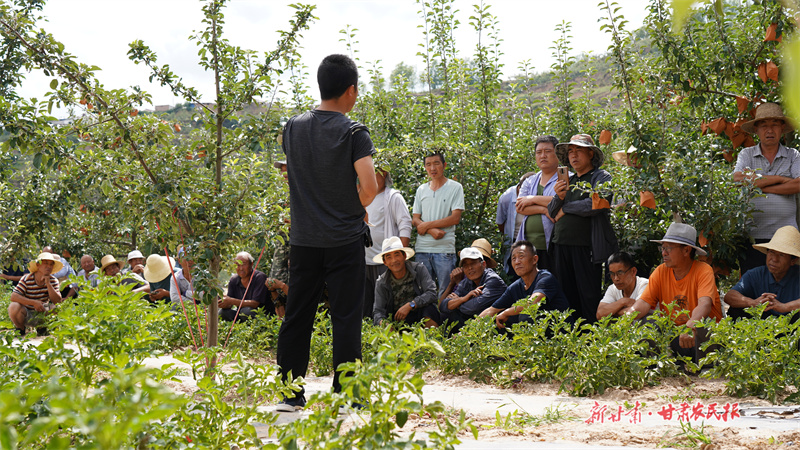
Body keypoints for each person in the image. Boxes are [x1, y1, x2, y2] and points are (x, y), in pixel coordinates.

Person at [276, 54, 378, 412]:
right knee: (346, 317)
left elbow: (297, 173)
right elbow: (369, 186)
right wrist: (355, 207)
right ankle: (348, 394)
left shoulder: (292, 127)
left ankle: (290, 393)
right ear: (350, 91)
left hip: (304, 240)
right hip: (344, 240)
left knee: (297, 315)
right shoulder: (354, 132)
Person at [625, 222, 723, 364]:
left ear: (686, 250)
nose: (664, 253)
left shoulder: (703, 270)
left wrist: (690, 326)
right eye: (662, 248)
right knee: (648, 320)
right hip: (676, 338)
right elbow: (643, 303)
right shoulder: (660, 271)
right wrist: (624, 322)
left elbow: (705, 304)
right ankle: (651, 366)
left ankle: (707, 368)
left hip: (701, 340)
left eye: (669, 248)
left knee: (703, 322)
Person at [547, 133, 618, 323]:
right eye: (571, 151)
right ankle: (570, 342)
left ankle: (591, 342)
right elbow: (552, 212)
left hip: (586, 248)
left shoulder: (601, 176)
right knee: (565, 296)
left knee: (588, 296)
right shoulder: (568, 180)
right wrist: (559, 197)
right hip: (560, 245)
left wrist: (566, 208)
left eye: (579, 150)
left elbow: (598, 204)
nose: (573, 155)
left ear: (591, 155)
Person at [733, 102, 800, 274]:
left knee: (787, 287)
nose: (769, 130)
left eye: (774, 125)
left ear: (782, 128)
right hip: (752, 235)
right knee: (753, 287)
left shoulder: (793, 155)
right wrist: (779, 179)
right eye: (764, 126)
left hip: (786, 237)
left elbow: (798, 184)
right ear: (756, 130)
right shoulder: (746, 154)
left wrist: (761, 188)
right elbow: (739, 179)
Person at [479, 240, 570, 329]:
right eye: (513, 258)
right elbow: (491, 310)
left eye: (521, 256)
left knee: (526, 316)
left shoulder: (546, 279)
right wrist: (470, 329)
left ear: (534, 259)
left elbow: (531, 304)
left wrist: (505, 313)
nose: (517, 262)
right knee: (498, 319)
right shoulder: (515, 287)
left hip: (559, 335)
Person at [412, 151, 465, 298]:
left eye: (436, 163)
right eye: (428, 164)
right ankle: (427, 321)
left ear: (444, 165)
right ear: (425, 167)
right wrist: (432, 230)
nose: (432, 168)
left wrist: (427, 226)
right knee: (422, 291)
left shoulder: (455, 187)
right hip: (422, 248)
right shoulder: (421, 189)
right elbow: (415, 218)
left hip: (444, 249)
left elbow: (455, 218)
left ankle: (444, 320)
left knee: (446, 290)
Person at [364, 166, 412, 318]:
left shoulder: (393, 197)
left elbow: (405, 224)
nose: (370, 174)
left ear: (384, 174)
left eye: (374, 171)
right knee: (366, 302)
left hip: (386, 260)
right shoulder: (363, 196)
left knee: (387, 301)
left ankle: (391, 334)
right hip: (364, 260)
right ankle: (367, 335)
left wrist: (401, 257)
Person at [725, 226, 800, 320]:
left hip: (792, 328)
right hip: (761, 326)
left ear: (793, 260)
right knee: (736, 310)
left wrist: (785, 307)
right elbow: (730, 296)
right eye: (772, 252)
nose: (774, 259)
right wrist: (753, 303)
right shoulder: (755, 274)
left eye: (782, 255)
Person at [515, 135, 562, 271]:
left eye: (547, 151)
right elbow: (520, 207)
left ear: (557, 154)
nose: (543, 156)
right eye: (539, 152)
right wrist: (544, 210)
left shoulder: (566, 178)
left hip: (553, 244)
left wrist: (532, 199)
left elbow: (561, 201)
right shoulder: (530, 181)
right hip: (529, 245)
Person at [372, 237, 439, 327]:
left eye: (397, 255)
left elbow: (432, 293)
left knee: (429, 310)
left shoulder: (419, 269)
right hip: (398, 320)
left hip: (419, 313)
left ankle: (430, 338)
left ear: (404, 256)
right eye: (389, 257)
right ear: (385, 262)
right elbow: (377, 312)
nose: (394, 260)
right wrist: (385, 324)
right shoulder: (382, 282)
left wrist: (411, 305)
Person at [439, 246, 506, 333]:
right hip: (476, 322)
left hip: (496, 324)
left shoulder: (493, 279)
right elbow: (443, 305)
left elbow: (474, 307)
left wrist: (457, 303)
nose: (470, 268)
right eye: (466, 265)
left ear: (484, 264)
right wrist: (464, 298)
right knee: (447, 314)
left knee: (456, 310)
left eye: (473, 263)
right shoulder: (466, 282)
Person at [8, 252, 63, 336]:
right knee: (13, 306)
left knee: (55, 308)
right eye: (46, 263)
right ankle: (20, 328)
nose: (49, 266)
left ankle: (42, 328)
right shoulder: (26, 278)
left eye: (51, 264)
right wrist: (34, 302)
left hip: (42, 310)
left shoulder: (53, 280)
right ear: (38, 265)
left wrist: (48, 284)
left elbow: (58, 301)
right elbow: (14, 296)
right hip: (26, 311)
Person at [496, 171, 535, 279]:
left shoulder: (536, 194)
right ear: (520, 188)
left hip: (533, 240)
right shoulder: (506, 197)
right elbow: (500, 222)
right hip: (514, 240)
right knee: (514, 273)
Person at [219, 251, 272, 321]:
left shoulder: (260, 277)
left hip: (260, 315)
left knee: (246, 311)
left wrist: (231, 301)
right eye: (237, 265)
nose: (241, 268)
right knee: (223, 312)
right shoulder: (233, 280)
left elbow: (255, 304)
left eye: (243, 264)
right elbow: (230, 304)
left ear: (251, 264)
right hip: (241, 314)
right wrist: (222, 302)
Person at [596, 252, 650, 320]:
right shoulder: (612, 288)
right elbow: (600, 314)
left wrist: (613, 312)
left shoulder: (645, 285)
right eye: (612, 274)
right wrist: (623, 301)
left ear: (633, 271)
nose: (616, 279)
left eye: (620, 273)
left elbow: (636, 312)